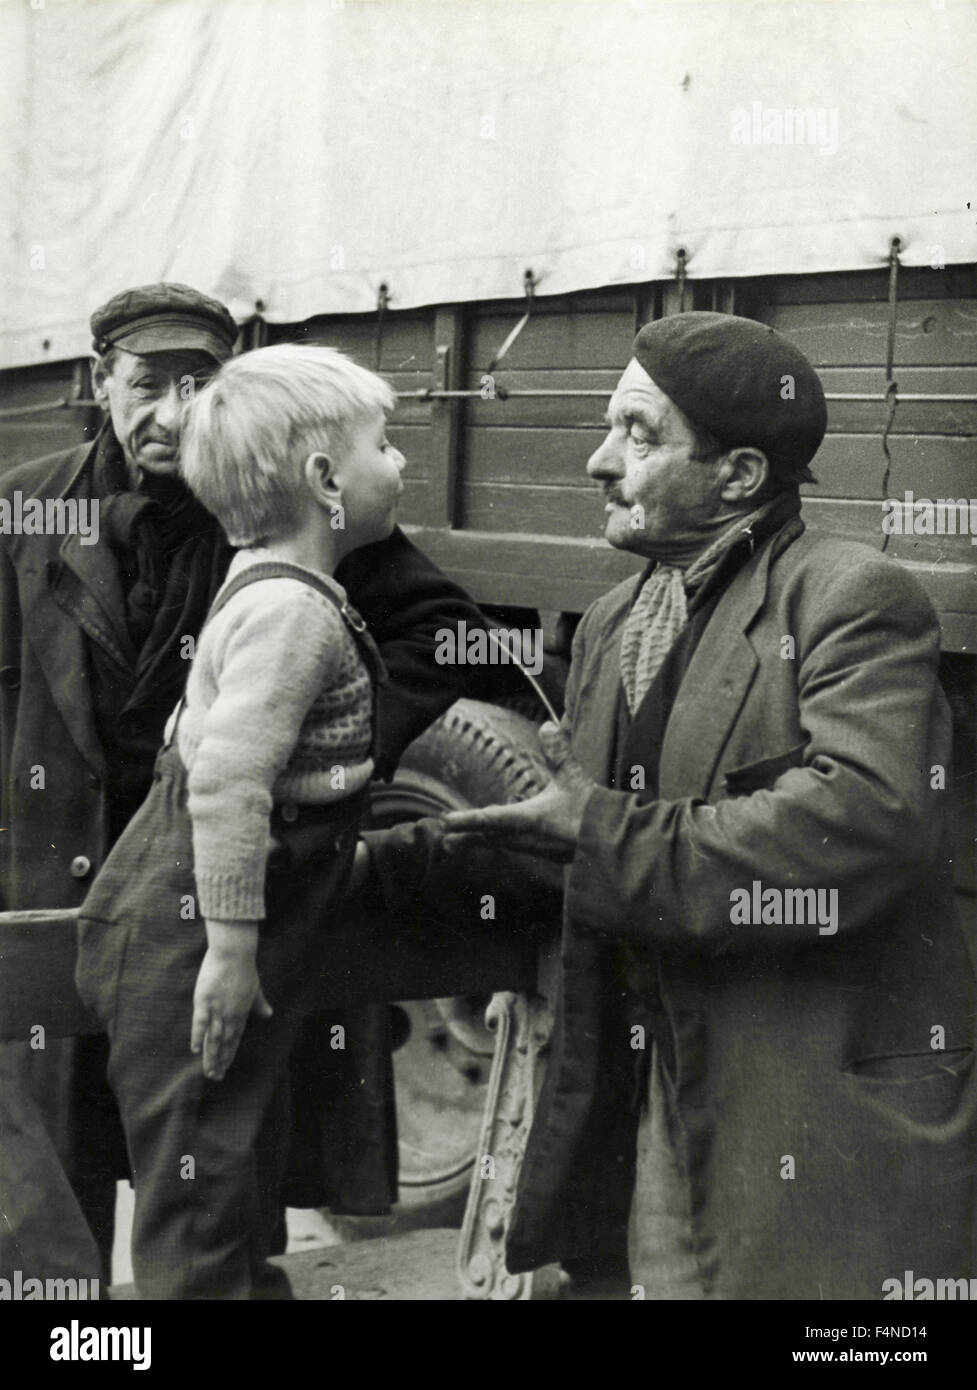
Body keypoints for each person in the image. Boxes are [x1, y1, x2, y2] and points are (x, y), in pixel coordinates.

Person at [433, 311, 977, 1299]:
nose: (600, 462)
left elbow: (863, 819)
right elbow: (575, 844)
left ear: (735, 477)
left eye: (638, 435)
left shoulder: (849, 597)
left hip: (796, 1111)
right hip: (653, 1096)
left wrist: (594, 827)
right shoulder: (610, 621)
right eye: (607, 429)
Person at [0, 283, 500, 1285]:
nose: (175, 414)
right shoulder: (29, 505)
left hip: (224, 902)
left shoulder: (276, 505)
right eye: (148, 385)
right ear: (100, 383)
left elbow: (447, 633)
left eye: (200, 383)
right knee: (47, 1205)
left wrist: (329, 756)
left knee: (214, 1180)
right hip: (59, 881)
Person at [74, 345, 406, 1298]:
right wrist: (227, 948)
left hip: (196, 926)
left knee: (233, 1172)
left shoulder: (264, 579)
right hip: (190, 943)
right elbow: (225, 784)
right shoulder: (290, 615)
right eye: (384, 446)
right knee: (204, 1199)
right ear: (323, 480)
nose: (399, 465)